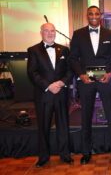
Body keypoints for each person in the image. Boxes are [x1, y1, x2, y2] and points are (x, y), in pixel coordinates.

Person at [68, 5, 111, 164]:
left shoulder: (110, 34)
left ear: (100, 16)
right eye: (91, 13)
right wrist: (81, 75)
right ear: (87, 16)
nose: (94, 16)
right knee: (85, 117)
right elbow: (73, 59)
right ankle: (86, 152)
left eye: (96, 13)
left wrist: (110, 73)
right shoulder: (78, 35)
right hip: (86, 81)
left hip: (105, 80)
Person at [27, 23, 74, 167]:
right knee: (43, 126)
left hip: (61, 93)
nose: (50, 33)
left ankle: (65, 154)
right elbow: (32, 73)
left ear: (56, 32)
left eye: (52, 30)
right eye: (46, 31)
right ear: (41, 32)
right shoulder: (33, 50)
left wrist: (60, 83)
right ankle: (43, 157)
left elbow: (69, 71)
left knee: (63, 125)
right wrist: (48, 86)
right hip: (44, 95)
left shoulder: (64, 50)